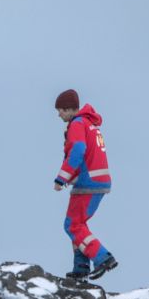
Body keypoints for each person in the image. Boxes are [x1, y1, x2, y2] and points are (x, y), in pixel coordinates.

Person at [53, 89, 117, 280]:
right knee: (78, 224)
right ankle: (81, 267)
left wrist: (61, 178)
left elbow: (78, 151)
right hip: (98, 180)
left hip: (88, 182)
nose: (59, 115)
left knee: (72, 225)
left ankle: (102, 257)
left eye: (60, 110)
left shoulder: (77, 124)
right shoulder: (90, 124)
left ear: (69, 109)